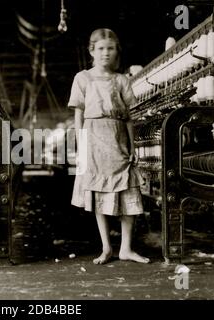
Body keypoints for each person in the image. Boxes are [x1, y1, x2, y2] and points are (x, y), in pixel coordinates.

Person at [68, 28, 149, 264]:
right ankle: (106, 248)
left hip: (118, 138)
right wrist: (81, 146)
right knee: (98, 193)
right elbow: (78, 114)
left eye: (110, 48)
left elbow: (129, 119)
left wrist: (133, 149)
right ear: (92, 50)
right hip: (93, 137)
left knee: (128, 192)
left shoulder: (122, 80)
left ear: (116, 52)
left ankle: (125, 248)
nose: (106, 53)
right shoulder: (82, 78)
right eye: (101, 48)